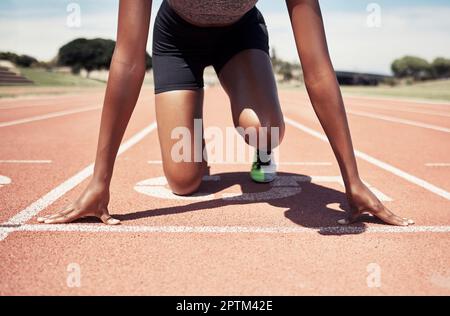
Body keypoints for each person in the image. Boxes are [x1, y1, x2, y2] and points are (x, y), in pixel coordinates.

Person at [38, 0, 414, 226]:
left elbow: (317, 68)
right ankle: (193, 127)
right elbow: (128, 61)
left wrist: (353, 180)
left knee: (264, 129)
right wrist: (99, 181)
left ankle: (262, 152)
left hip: (240, 38)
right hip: (176, 42)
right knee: (184, 181)